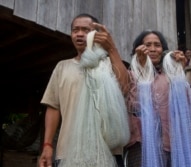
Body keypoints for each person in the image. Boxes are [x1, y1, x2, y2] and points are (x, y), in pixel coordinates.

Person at [38, 13, 130, 167]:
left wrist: (112, 48)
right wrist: (47, 146)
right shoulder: (62, 67)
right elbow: (53, 107)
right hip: (68, 152)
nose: (80, 34)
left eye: (86, 30)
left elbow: (125, 87)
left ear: (97, 35)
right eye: (75, 30)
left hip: (108, 152)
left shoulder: (109, 64)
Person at [125, 30, 191, 167]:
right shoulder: (131, 75)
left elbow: (187, 105)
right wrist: (143, 69)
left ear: (163, 50)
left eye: (157, 45)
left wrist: (180, 70)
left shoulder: (170, 77)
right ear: (137, 49)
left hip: (172, 144)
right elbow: (134, 106)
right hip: (142, 145)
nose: (152, 49)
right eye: (147, 45)